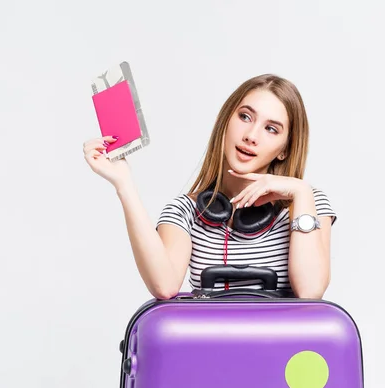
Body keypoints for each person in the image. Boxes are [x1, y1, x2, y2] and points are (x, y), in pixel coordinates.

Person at [83, 74, 337, 300]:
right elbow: (164, 285)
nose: (251, 135)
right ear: (226, 122)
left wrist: (301, 193)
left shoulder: (308, 204)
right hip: (208, 353)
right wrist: (123, 183)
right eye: (245, 117)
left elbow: (310, 290)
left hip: (285, 352)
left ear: (284, 150)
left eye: (271, 129)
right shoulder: (185, 211)